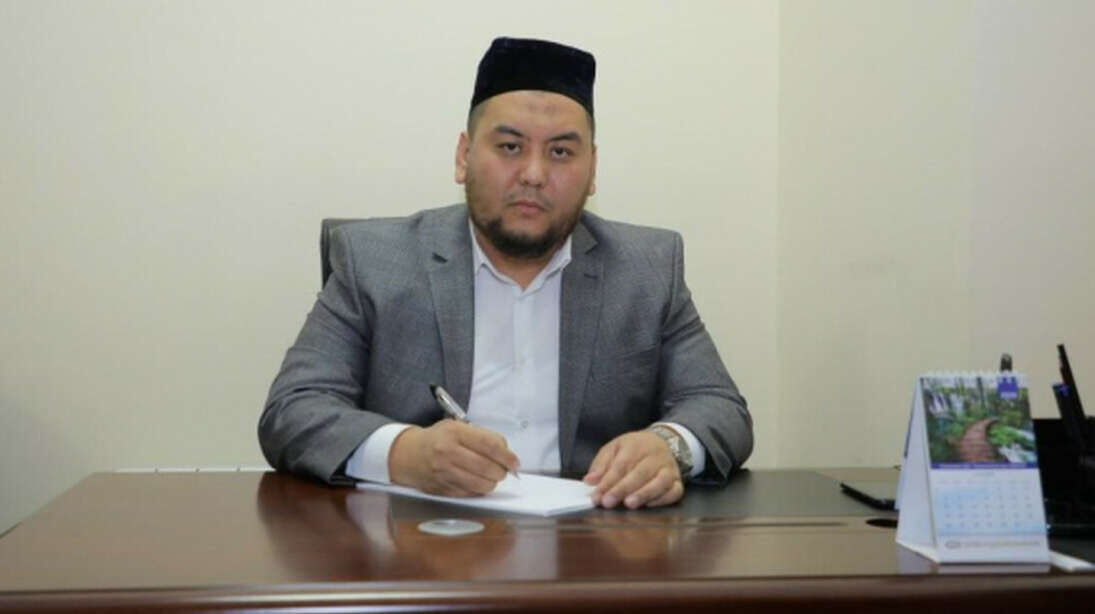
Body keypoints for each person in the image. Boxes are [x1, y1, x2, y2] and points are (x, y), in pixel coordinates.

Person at [259, 37, 753, 509]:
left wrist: (669, 446)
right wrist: (404, 454)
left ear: (592, 170)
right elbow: (293, 408)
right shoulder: (374, 260)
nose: (534, 174)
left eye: (560, 152)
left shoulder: (647, 268)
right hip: (422, 542)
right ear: (464, 156)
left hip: (593, 543)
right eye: (511, 147)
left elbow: (719, 406)